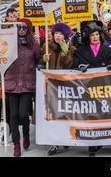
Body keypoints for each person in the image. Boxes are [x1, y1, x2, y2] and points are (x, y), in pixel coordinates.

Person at [72, 22, 111, 156]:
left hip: (103, 86)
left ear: (100, 35)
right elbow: (75, 64)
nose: (95, 37)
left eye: (97, 34)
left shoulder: (107, 50)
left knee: (102, 114)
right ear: (88, 37)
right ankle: (92, 145)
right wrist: (80, 66)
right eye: (92, 35)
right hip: (87, 87)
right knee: (91, 115)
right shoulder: (80, 51)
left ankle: (100, 140)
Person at [4, 18, 41, 157]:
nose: (21, 30)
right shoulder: (10, 42)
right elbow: (1, 56)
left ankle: (25, 134)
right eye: (18, 27)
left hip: (27, 84)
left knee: (23, 114)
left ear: (28, 29)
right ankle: (16, 144)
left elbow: (38, 59)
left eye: (24, 28)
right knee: (12, 115)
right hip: (12, 83)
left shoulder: (34, 44)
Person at [40, 22, 76, 155]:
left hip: (64, 87)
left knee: (64, 113)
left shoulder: (71, 48)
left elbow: (69, 64)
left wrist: (65, 51)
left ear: (65, 35)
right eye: (56, 33)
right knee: (52, 114)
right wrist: (43, 60)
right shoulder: (46, 46)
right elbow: (39, 62)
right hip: (50, 86)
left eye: (61, 34)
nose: (58, 36)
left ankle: (64, 138)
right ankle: (54, 143)